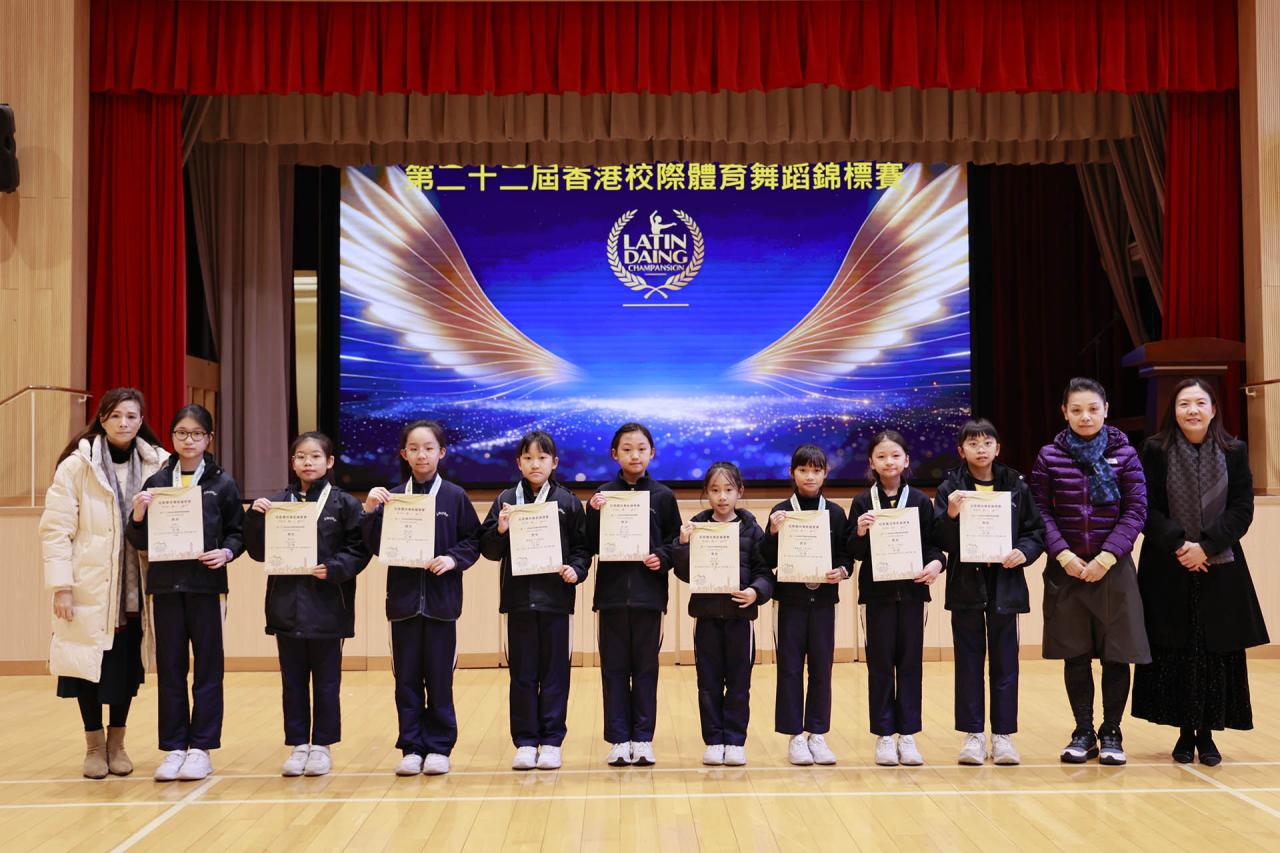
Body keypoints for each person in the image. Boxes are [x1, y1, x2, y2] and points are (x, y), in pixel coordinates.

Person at [1132, 378, 1269, 765]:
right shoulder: (1155, 449)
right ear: (1173, 411)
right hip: (1168, 563)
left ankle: (1207, 734)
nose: (1192, 410)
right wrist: (1180, 545)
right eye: (1184, 404)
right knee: (1175, 649)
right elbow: (1145, 506)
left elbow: (1242, 508)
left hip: (1218, 564)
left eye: (1199, 403)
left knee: (1213, 651)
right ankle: (1183, 732)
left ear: (1213, 409)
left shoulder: (1234, 450)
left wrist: (1206, 546)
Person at [40, 387, 169, 779]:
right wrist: (61, 586)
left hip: (135, 586)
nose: (123, 423)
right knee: (86, 668)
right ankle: (94, 746)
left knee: (125, 670)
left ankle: (118, 743)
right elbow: (56, 530)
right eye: (115, 416)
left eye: (131, 416)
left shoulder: (159, 464)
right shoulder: (77, 465)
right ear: (102, 419)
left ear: (141, 421)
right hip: (90, 584)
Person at [1030, 378, 1149, 766]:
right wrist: (1063, 555)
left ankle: (1112, 731)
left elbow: (1136, 511)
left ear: (1106, 410)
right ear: (1064, 412)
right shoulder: (1049, 456)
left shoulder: (1125, 454)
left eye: (1093, 409)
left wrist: (1107, 556)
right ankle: (1083, 731)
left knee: (1117, 655)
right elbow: (1038, 510)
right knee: (1075, 654)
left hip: (1112, 569)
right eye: (1077, 409)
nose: (1085, 416)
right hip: (1067, 570)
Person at [126, 404, 244, 781]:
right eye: (181, 433)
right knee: (170, 668)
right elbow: (137, 539)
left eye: (196, 434)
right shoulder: (157, 482)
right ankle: (174, 746)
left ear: (209, 439)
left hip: (208, 588)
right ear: (172, 437)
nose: (188, 440)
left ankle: (201, 748)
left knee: (208, 668)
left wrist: (226, 553)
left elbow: (238, 532)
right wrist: (138, 515)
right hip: (165, 588)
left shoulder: (222, 483)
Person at [243, 431, 370, 777]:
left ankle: (323, 745)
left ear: (329, 462)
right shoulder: (277, 503)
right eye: (301, 456)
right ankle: (299, 744)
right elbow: (258, 552)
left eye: (315, 456)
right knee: (293, 681)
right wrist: (254, 518)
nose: (307, 462)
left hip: (329, 606)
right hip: (286, 606)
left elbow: (359, 549)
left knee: (327, 682)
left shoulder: (344, 504)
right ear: (292, 462)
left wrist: (335, 568)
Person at [361, 420, 481, 777]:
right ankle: (412, 747)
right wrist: (369, 511)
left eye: (428, 448)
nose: (421, 455)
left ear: (441, 452)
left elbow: (473, 541)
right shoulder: (392, 498)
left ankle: (440, 747)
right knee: (407, 680)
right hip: (403, 605)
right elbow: (374, 545)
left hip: (443, 605)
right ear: (404, 454)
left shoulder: (455, 497)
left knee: (440, 679)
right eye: (413, 448)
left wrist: (452, 559)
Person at [933, 419, 1044, 766]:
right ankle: (973, 735)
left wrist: (1023, 552)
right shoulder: (950, 487)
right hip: (966, 585)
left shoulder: (1016, 484)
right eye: (972, 444)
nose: (980, 450)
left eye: (987, 443)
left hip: (1005, 585)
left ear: (998, 448)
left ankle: (1003, 735)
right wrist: (951, 515)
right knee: (968, 662)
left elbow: (1035, 531)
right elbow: (940, 540)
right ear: (961, 450)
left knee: (1005, 661)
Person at [478, 430, 590, 771]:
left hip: (557, 602)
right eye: (528, 458)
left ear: (554, 462)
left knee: (555, 674)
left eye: (542, 458)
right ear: (519, 463)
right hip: (518, 602)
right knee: (522, 675)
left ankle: (552, 741)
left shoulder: (568, 502)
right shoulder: (506, 500)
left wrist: (575, 570)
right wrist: (500, 529)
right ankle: (526, 742)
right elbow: (488, 549)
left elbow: (582, 549)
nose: (535, 464)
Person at [585, 423, 682, 767]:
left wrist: (663, 558)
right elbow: (589, 543)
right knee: (613, 670)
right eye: (627, 449)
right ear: (615, 454)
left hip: (648, 597)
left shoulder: (663, 496)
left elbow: (675, 541)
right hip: (611, 597)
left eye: (641, 449)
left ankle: (642, 738)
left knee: (645, 670)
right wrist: (593, 513)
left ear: (652, 453)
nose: (634, 455)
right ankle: (618, 739)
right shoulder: (602, 495)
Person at [848, 430, 944, 767]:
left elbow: (934, 546)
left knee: (910, 665)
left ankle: (908, 734)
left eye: (895, 456)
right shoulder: (863, 502)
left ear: (906, 461)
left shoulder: (919, 500)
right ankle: (884, 736)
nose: (889, 462)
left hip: (913, 594)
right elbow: (854, 552)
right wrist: (860, 531)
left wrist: (936, 564)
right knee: (879, 665)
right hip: (876, 596)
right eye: (881, 456)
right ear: (871, 463)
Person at [672, 462, 773, 767]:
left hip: (740, 619)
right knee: (708, 683)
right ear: (706, 493)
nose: (722, 496)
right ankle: (714, 740)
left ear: (740, 491)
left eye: (728, 489)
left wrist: (755, 592)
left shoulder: (752, 529)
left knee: (739, 683)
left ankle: (735, 741)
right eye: (715, 490)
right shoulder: (697, 526)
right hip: (706, 618)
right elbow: (684, 573)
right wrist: (683, 545)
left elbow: (764, 572)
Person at [761, 444, 850, 766]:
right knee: (790, 668)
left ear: (826, 473)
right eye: (803, 470)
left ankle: (817, 733)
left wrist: (843, 571)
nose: (809, 476)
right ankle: (794, 736)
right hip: (790, 603)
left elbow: (846, 556)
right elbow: (766, 559)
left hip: (824, 602)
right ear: (792, 473)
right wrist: (773, 532)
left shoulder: (836, 513)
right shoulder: (781, 511)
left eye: (816, 470)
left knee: (822, 669)